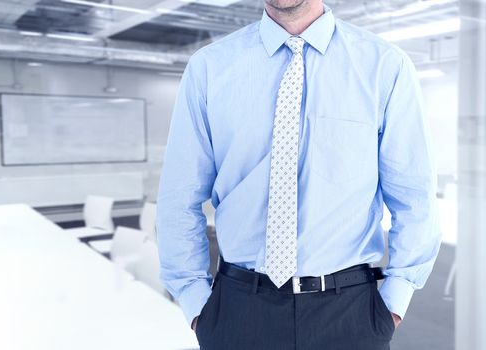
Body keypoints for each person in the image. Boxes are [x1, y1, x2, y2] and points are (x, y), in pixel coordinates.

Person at [156, 0, 440, 348]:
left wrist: (395, 299)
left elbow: (414, 195)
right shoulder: (209, 68)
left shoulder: (384, 66)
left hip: (349, 313)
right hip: (237, 310)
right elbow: (178, 196)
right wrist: (196, 301)